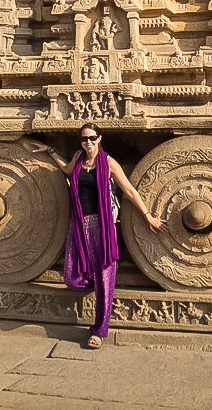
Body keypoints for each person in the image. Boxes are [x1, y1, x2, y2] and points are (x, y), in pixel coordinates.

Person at [27, 123, 164, 349]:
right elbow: (68, 171)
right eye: (83, 139)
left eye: (91, 138)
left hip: (103, 225)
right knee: (71, 277)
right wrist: (50, 151)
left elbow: (129, 191)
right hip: (80, 224)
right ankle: (101, 285)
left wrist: (147, 215)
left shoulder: (108, 163)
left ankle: (98, 331)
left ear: (100, 138)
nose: (87, 143)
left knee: (104, 276)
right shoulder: (79, 158)